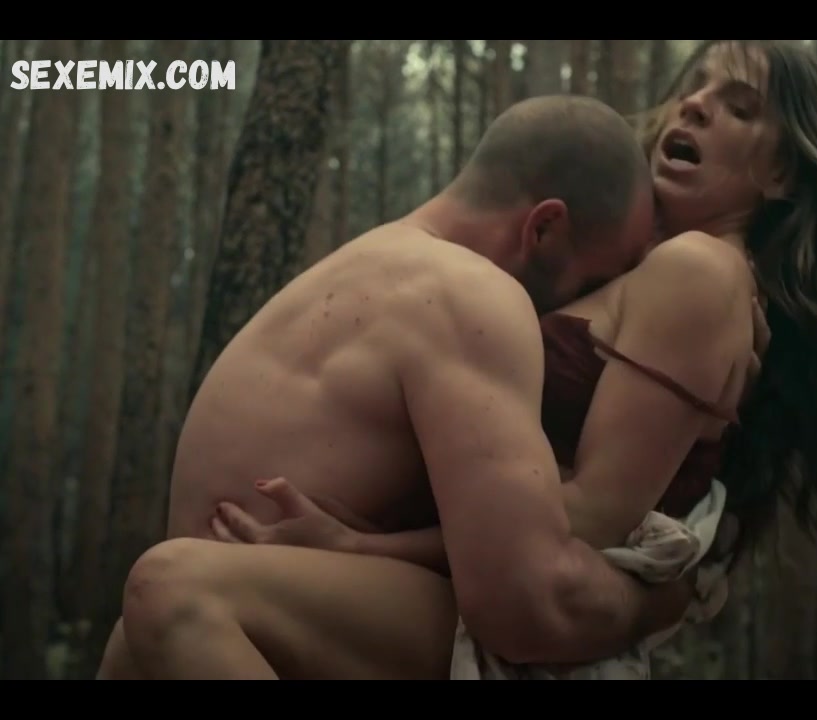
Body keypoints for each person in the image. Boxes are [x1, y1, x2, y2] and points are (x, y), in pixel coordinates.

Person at [114, 39, 817, 680]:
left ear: (783, 171)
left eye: (739, 107)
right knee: (133, 646)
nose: (695, 104)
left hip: (505, 606)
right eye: (699, 87)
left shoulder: (700, 272)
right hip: (448, 590)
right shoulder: (652, 271)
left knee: (175, 591)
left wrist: (358, 548)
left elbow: (584, 520)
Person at [96, 94, 691, 680]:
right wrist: (653, 603)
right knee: (159, 606)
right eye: (594, 282)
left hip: (247, 618)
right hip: (218, 621)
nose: (584, 309)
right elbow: (528, 606)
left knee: (170, 594)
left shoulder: (362, 269)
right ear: (545, 228)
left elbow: (522, 595)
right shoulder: (469, 295)